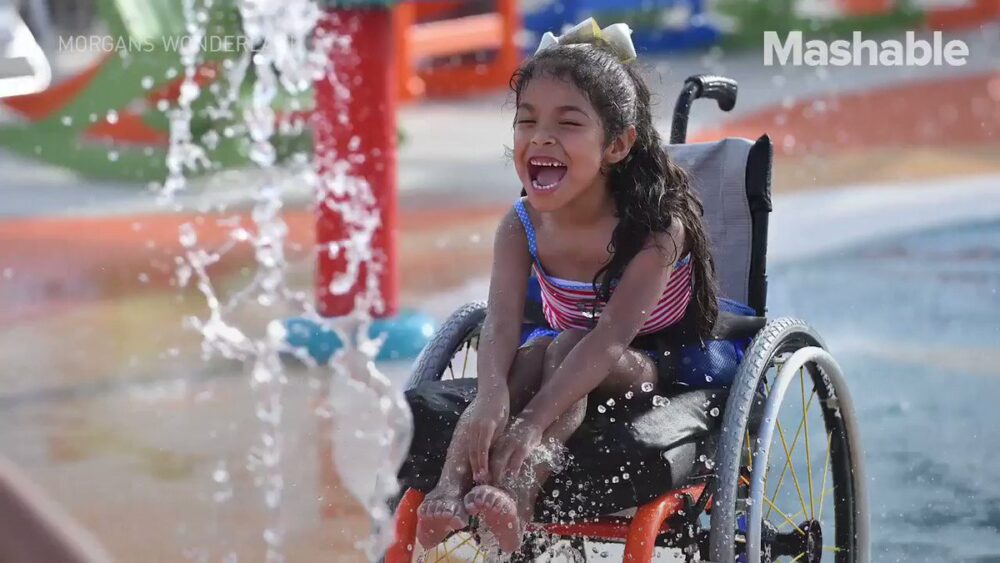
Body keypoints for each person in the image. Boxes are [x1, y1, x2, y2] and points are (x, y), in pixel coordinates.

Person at [415, 18, 720, 554]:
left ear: (617, 145)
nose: (540, 137)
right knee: (525, 360)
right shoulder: (520, 225)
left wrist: (530, 423)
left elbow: (608, 340)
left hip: (648, 360)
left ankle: (521, 491)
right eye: (527, 121)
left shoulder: (656, 230)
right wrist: (491, 396)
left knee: (565, 347)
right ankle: (447, 490)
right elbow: (501, 322)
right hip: (564, 346)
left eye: (568, 123)